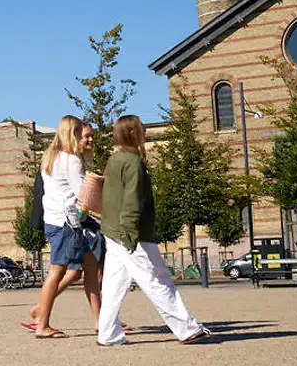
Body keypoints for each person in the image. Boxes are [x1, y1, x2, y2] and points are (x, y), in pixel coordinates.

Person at [97, 115, 210, 346]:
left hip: (113, 230)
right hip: (133, 233)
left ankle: (108, 333)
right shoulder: (133, 162)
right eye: (142, 130)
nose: (145, 133)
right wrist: (130, 233)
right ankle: (187, 329)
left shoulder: (114, 160)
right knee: (156, 279)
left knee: (114, 283)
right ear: (133, 134)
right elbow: (132, 201)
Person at [28, 117, 103, 338]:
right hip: (67, 223)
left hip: (56, 219)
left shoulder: (51, 158)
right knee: (57, 270)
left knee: (90, 265)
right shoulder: (71, 161)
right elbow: (83, 194)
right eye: (81, 133)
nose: (85, 137)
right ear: (72, 134)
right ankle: (42, 323)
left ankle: (100, 321)